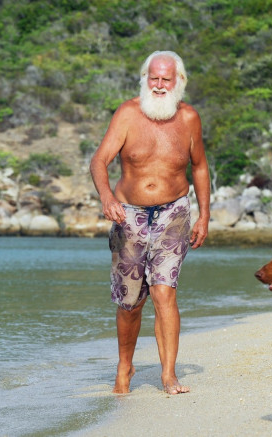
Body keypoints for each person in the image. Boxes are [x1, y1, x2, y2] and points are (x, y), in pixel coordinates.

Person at [89, 50, 211, 395]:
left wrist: (204, 215)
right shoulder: (128, 114)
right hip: (128, 214)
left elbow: (199, 166)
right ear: (145, 79)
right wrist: (107, 198)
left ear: (179, 82)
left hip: (174, 211)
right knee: (130, 303)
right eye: (153, 79)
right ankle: (124, 368)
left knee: (163, 292)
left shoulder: (189, 119)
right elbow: (99, 160)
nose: (159, 85)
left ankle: (169, 375)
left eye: (165, 79)